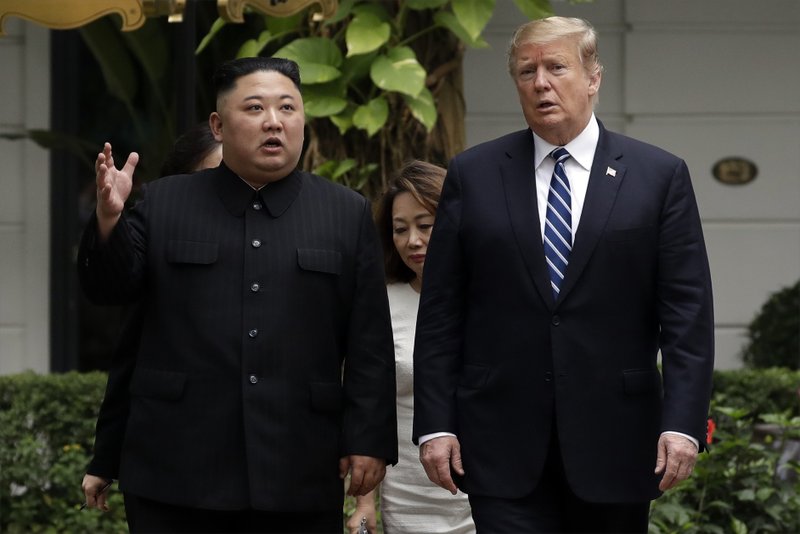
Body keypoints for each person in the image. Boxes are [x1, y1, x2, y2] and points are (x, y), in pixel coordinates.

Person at [412, 16, 714, 533]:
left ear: (593, 77)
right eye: (527, 71)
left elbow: (687, 315)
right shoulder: (475, 174)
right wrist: (435, 425)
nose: (540, 83)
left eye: (556, 67)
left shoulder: (658, 176)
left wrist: (683, 425)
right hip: (501, 442)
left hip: (617, 441)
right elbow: (443, 310)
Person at [78, 56, 398, 533]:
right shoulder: (164, 202)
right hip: (177, 465)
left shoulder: (345, 213)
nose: (274, 122)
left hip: (299, 462)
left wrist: (368, 439)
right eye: (254, 108)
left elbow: (369, 341)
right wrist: (108, 219)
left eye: (288, 108)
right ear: (218, 124)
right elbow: (108, 290)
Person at [81, 121, 223, 513]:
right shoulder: (158, 245)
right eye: (214, 177)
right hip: (174, 462)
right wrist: (104, 461)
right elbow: (129, 359)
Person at [346, 161, 475, 534]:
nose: (412, 241)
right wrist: (365, 504)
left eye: (426, 225)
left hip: (489, 493)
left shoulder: (493, 301)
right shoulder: (381, 303)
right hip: (408, 499)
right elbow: (369, 407)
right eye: (400, 229)